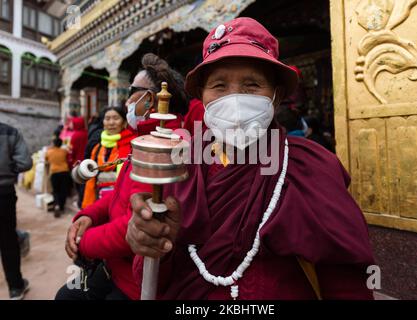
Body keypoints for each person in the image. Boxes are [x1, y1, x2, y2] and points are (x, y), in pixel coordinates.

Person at [126, 17, 375, 300]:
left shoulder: (310, 166)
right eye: (219, 86)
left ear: (276, 96)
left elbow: (345, 284)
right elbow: (149, 281)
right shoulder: (183, 165)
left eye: (252, 85)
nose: (234, 99)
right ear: (203, 97)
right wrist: (151, 242)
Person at [55, 53, 189, 300]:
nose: (127, 100)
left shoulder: (170, 145)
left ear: (152, 99)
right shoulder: (143, 138)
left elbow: (137, 223)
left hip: (135, 282)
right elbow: (120, 194)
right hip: (113, 267)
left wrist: (84, 242)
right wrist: (90, 215)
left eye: (131, 91)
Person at [0, 122, 32, 299]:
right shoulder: (10, 131)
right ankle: (15, 287)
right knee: (7, 240)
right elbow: (25, 162)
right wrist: (8, 170)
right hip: (3, 193)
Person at [81, 106, 135, 208]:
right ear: (103, 123)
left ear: (124, 122)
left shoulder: (133, 146)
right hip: (99, 199)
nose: (111, 122)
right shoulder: (97, 147)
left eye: (115, 118)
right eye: (107, 118)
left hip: (123, 201)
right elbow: (91, 179)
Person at [45, 138, 71, 218]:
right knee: (63, 190)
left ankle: (56, 205)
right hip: (64, 172)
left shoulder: (49, 152)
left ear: (53, 143)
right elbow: (68, 159)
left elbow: (46, 162)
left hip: (54, 173)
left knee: (55, 191)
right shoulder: (64, 151)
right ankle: (62, 207)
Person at [68, 116, 88, 208]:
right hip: (86, 163)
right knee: (85, 184)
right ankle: (83, 201)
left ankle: (80, 203)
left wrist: (70, 161)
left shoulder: (75, 136)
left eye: (72, 122)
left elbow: (72, 151)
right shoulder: (87, 133)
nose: (70, 124)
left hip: (77, 163)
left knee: (78, 184)